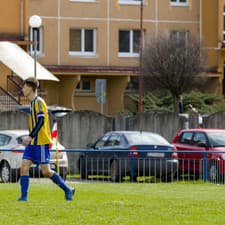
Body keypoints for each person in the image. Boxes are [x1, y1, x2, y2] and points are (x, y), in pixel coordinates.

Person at [18, 77, 75, 201]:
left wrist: (30, 136)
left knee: (46, 171)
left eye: (24, 86)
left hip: (41, 143)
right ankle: (23, 197)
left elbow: (41, 120)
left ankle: (68, 189)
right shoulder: (32, 103)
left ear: (31, 88)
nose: (22, 89)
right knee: (24, 167)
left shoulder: (39, 102)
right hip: (33, 143)